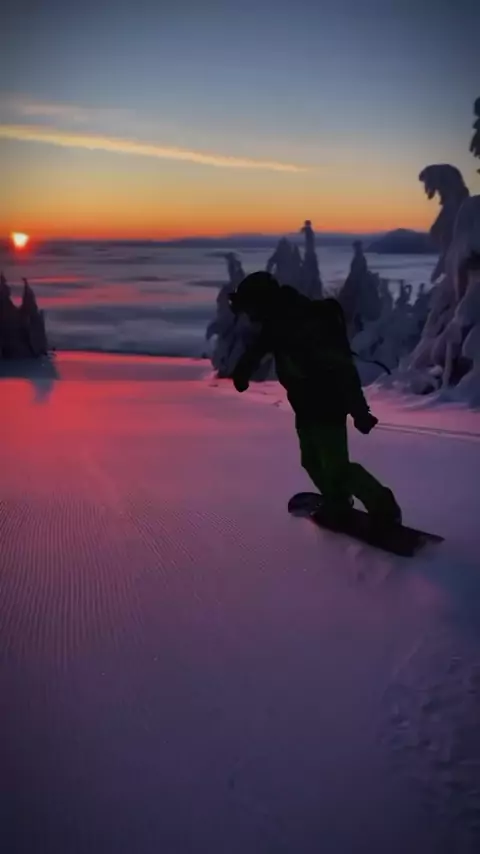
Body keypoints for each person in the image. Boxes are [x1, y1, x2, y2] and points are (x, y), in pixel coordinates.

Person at [229, 271, 402, 526]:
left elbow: (343, 369)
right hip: (305, 406)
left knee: (337, 467)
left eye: (250, 308)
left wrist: (359, 411)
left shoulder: (305, 323)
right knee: (311, 461)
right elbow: (258, 349)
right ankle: (337, 502)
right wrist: (243, 370)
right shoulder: (277, 323)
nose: (250, 316)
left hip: (327, 405)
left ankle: (384, 507)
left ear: (263, 301)